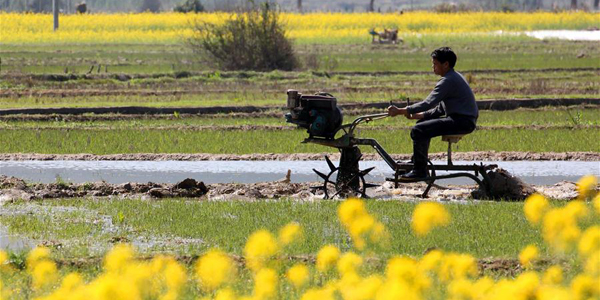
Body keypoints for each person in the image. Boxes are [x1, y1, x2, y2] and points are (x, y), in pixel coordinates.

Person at [387, 47, 478, 180]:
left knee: (418, 130)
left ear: (445, 64)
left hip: (462, 122)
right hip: (463, 120)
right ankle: (416, 163)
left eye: (435, 64)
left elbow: (428, 103)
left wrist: (402, 110)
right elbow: (440, 109)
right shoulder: (453, 77)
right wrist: (418, 115)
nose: (432, 67)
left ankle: (420, 171)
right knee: (421, 124)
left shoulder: (447, 80)